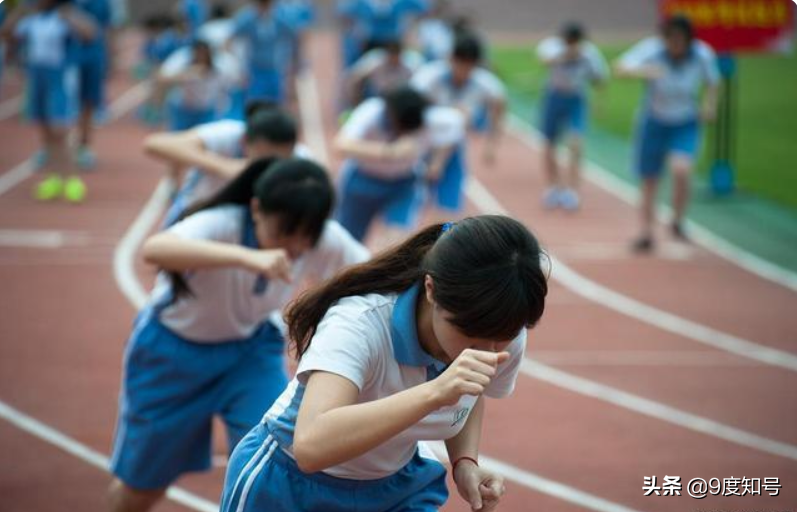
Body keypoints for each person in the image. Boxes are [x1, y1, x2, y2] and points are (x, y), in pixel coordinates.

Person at [220, 214, 548, 512]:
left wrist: (464, 462)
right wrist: (435, 392)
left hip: (395, 489)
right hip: (288, 486)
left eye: (501, 336)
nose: (487, 351)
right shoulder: (360, 324)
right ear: (431, 290)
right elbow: (310, 446)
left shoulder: (503, 329)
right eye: (470, 334)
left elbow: (470, 391)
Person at [108, 157, 370, 512]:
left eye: (305, 238)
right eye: (283, 233)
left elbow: (370, 275)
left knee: (275, 465)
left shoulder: (324, 239)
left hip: (250, 354)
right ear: (257, 208)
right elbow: (155, 249)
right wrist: (247, 257)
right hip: (172, 354)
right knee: (141, 489)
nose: (293, 247)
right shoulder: (221, 223)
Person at [615, 15, 719, 252]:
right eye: (669, 38)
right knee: (649, 179)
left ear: (688, 39)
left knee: (681, 169)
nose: (674, 44)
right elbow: (620, 68)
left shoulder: (702, 54)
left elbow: (713, 82)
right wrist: (646, 71)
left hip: (685, 122)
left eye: (679, 39)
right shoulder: (652, 50)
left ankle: (677, 220)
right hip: (654, 122)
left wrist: (709, 105)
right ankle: (646, 232)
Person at [144, 104, 311, 226]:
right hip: (195, 214)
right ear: (245, 142)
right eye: (263, 159)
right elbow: (155, 144)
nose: (268, 166)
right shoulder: (229, 133)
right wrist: (223, 166)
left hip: (247, 226)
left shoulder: (301, 157)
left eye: (277, 161)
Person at [334, 85, 464, 242]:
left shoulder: (429, 118)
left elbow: (456, 126)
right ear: (391, 115)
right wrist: (389, 152)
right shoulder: (372, 111)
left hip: (403, 185)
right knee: (347, 239)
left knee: (399, 243)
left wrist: (438, 162)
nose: (404, 134)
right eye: (401, 129)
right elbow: (340, 145)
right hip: (362, 182)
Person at [1, 0, 96, 203]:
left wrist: (70, 16)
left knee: (59, 130)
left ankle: (71, 179)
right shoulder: (32, 18)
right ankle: (53, 177)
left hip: (59, 78)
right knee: (45, 129)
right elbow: (7, 34)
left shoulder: (64, 15)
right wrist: (19, 10)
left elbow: (90, 34)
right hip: (37, 77)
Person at [411, 32, 506, 213]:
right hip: (423, 142)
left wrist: (491, 144)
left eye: (469, 66)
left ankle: (444, 237)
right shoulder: (429, 77)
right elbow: (410, 109)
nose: (463, 71)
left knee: (449, 209)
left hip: (453, 147)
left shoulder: (485, 83)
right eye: (460, 64)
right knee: (415, 204)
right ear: (451, 59)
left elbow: (499, 105)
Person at [536, 22, 608, 211]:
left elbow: (600, 78)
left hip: (576, 99)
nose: (571, 44)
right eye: (567, 41)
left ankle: (572, 190)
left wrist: (598, 103)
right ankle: (553, 187)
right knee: (549, 144)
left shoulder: (590, 53)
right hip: (554, 97)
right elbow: (544, 61)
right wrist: (566, 55)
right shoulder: (552, 46)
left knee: (576, 143)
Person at [73, 0, 111, 170]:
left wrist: (110, 58)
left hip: (92, 58)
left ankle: (84, 147)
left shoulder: (101, 2)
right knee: (58, 107)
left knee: (87, 103)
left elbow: (102, 29)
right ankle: (52, 147)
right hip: (63, 61)